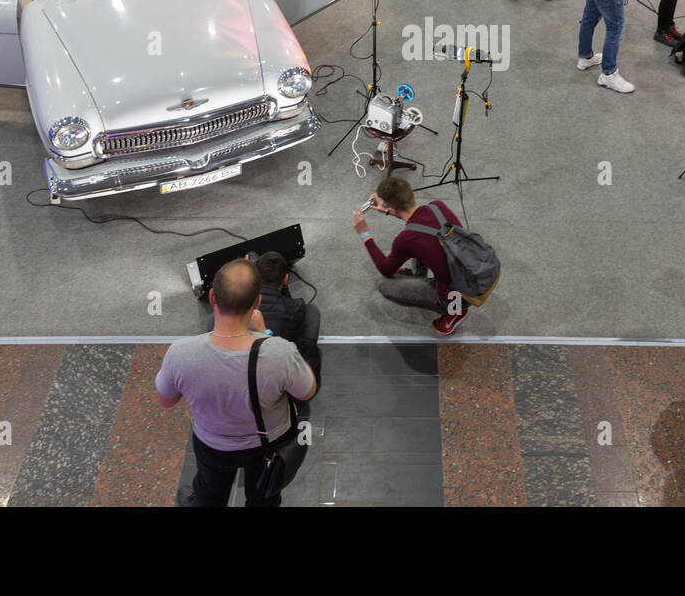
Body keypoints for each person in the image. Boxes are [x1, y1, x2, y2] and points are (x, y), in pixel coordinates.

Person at [155, 257, 317, 507]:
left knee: (209, 492)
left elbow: (166, 401)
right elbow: (307, 391)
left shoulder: (180, 352)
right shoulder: (279, 352)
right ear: (257, 303)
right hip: (267, 443)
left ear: (211, 298)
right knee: (263, 498)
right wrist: (266, 333)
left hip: (211, 442)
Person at [352, 176, 470, 336]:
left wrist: (364, 233)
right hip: (470, 269)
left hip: (456, 295)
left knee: (383, 284)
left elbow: (385, 269)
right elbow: (415, 219)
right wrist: (388, 210)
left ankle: (455, 312)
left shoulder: (405, 239)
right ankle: (418, 278)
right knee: (421, 242)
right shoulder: (437, 206)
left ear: (393, 206)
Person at [253, 251, 322, 386]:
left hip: (252, 369)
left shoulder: (243, 305)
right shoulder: (295, 308)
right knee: (312, 311)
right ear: (285, 279)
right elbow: (287, 304)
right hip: (284, 378)